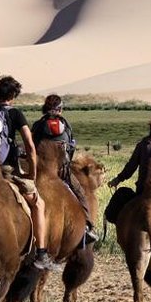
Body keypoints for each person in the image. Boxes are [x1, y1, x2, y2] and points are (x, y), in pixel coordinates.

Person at [0, 75, 61, 271]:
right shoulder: (15, 114)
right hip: (5, 171)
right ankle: (41, 253)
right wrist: (32, 173)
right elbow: (29, 145)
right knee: (38, 203)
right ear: (13, 95)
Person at [30, 94, 99, 244]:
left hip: (40, 171)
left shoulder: (38, 125)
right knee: (80, 192)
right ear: (60, 109)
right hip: (62, 171)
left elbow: (32, 146)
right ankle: (88, 227)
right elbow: (71, 147)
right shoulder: (66, 125)